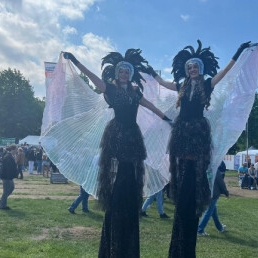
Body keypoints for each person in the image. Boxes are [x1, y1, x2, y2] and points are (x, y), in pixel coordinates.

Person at [147, 40, 252, 258]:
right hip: (182, 133)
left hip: (197, 133)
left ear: (200, 69)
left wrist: (238, 51)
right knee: (182, 170)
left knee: (195, 172)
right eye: (189, 67)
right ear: (186, 70)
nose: (192, 69)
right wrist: (151, 73)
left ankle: (195, 197)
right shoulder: (182, 86)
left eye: (195, 67)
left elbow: (224, 72)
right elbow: (165, 84)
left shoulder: (206, 85)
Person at [63, 49, 170, 258]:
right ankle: (115, 222)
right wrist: (75, 60)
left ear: (130, 74)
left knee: (130, 178)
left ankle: (129, 216)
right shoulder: (110, 90)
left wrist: (167, 118)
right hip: (116, 135)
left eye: (127, 71)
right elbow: (93, 78)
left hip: (133, 138)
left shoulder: (136, 92)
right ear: (117, 72)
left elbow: (150, 106)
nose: (124, 74)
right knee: (116, 181)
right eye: (121, 70)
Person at [197, 168, 229, 236]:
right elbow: (220, 182)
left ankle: (220, 227)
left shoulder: (202, 168)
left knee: (213, 211)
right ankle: (200, 229)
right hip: (213, 194)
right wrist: (226, 192)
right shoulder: (214, 169)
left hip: (205, 193)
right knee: (209, 211)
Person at [0, 145, 18, 210]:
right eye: (16, 149)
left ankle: (2, 201)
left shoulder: (10, 156)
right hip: (7, 177)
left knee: (11, 188)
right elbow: (7, 168)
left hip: (9, 177)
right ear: (12, 149)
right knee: (6, 191)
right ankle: (3, 205)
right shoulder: (8, 156)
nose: (16, 151)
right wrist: (9, 177)